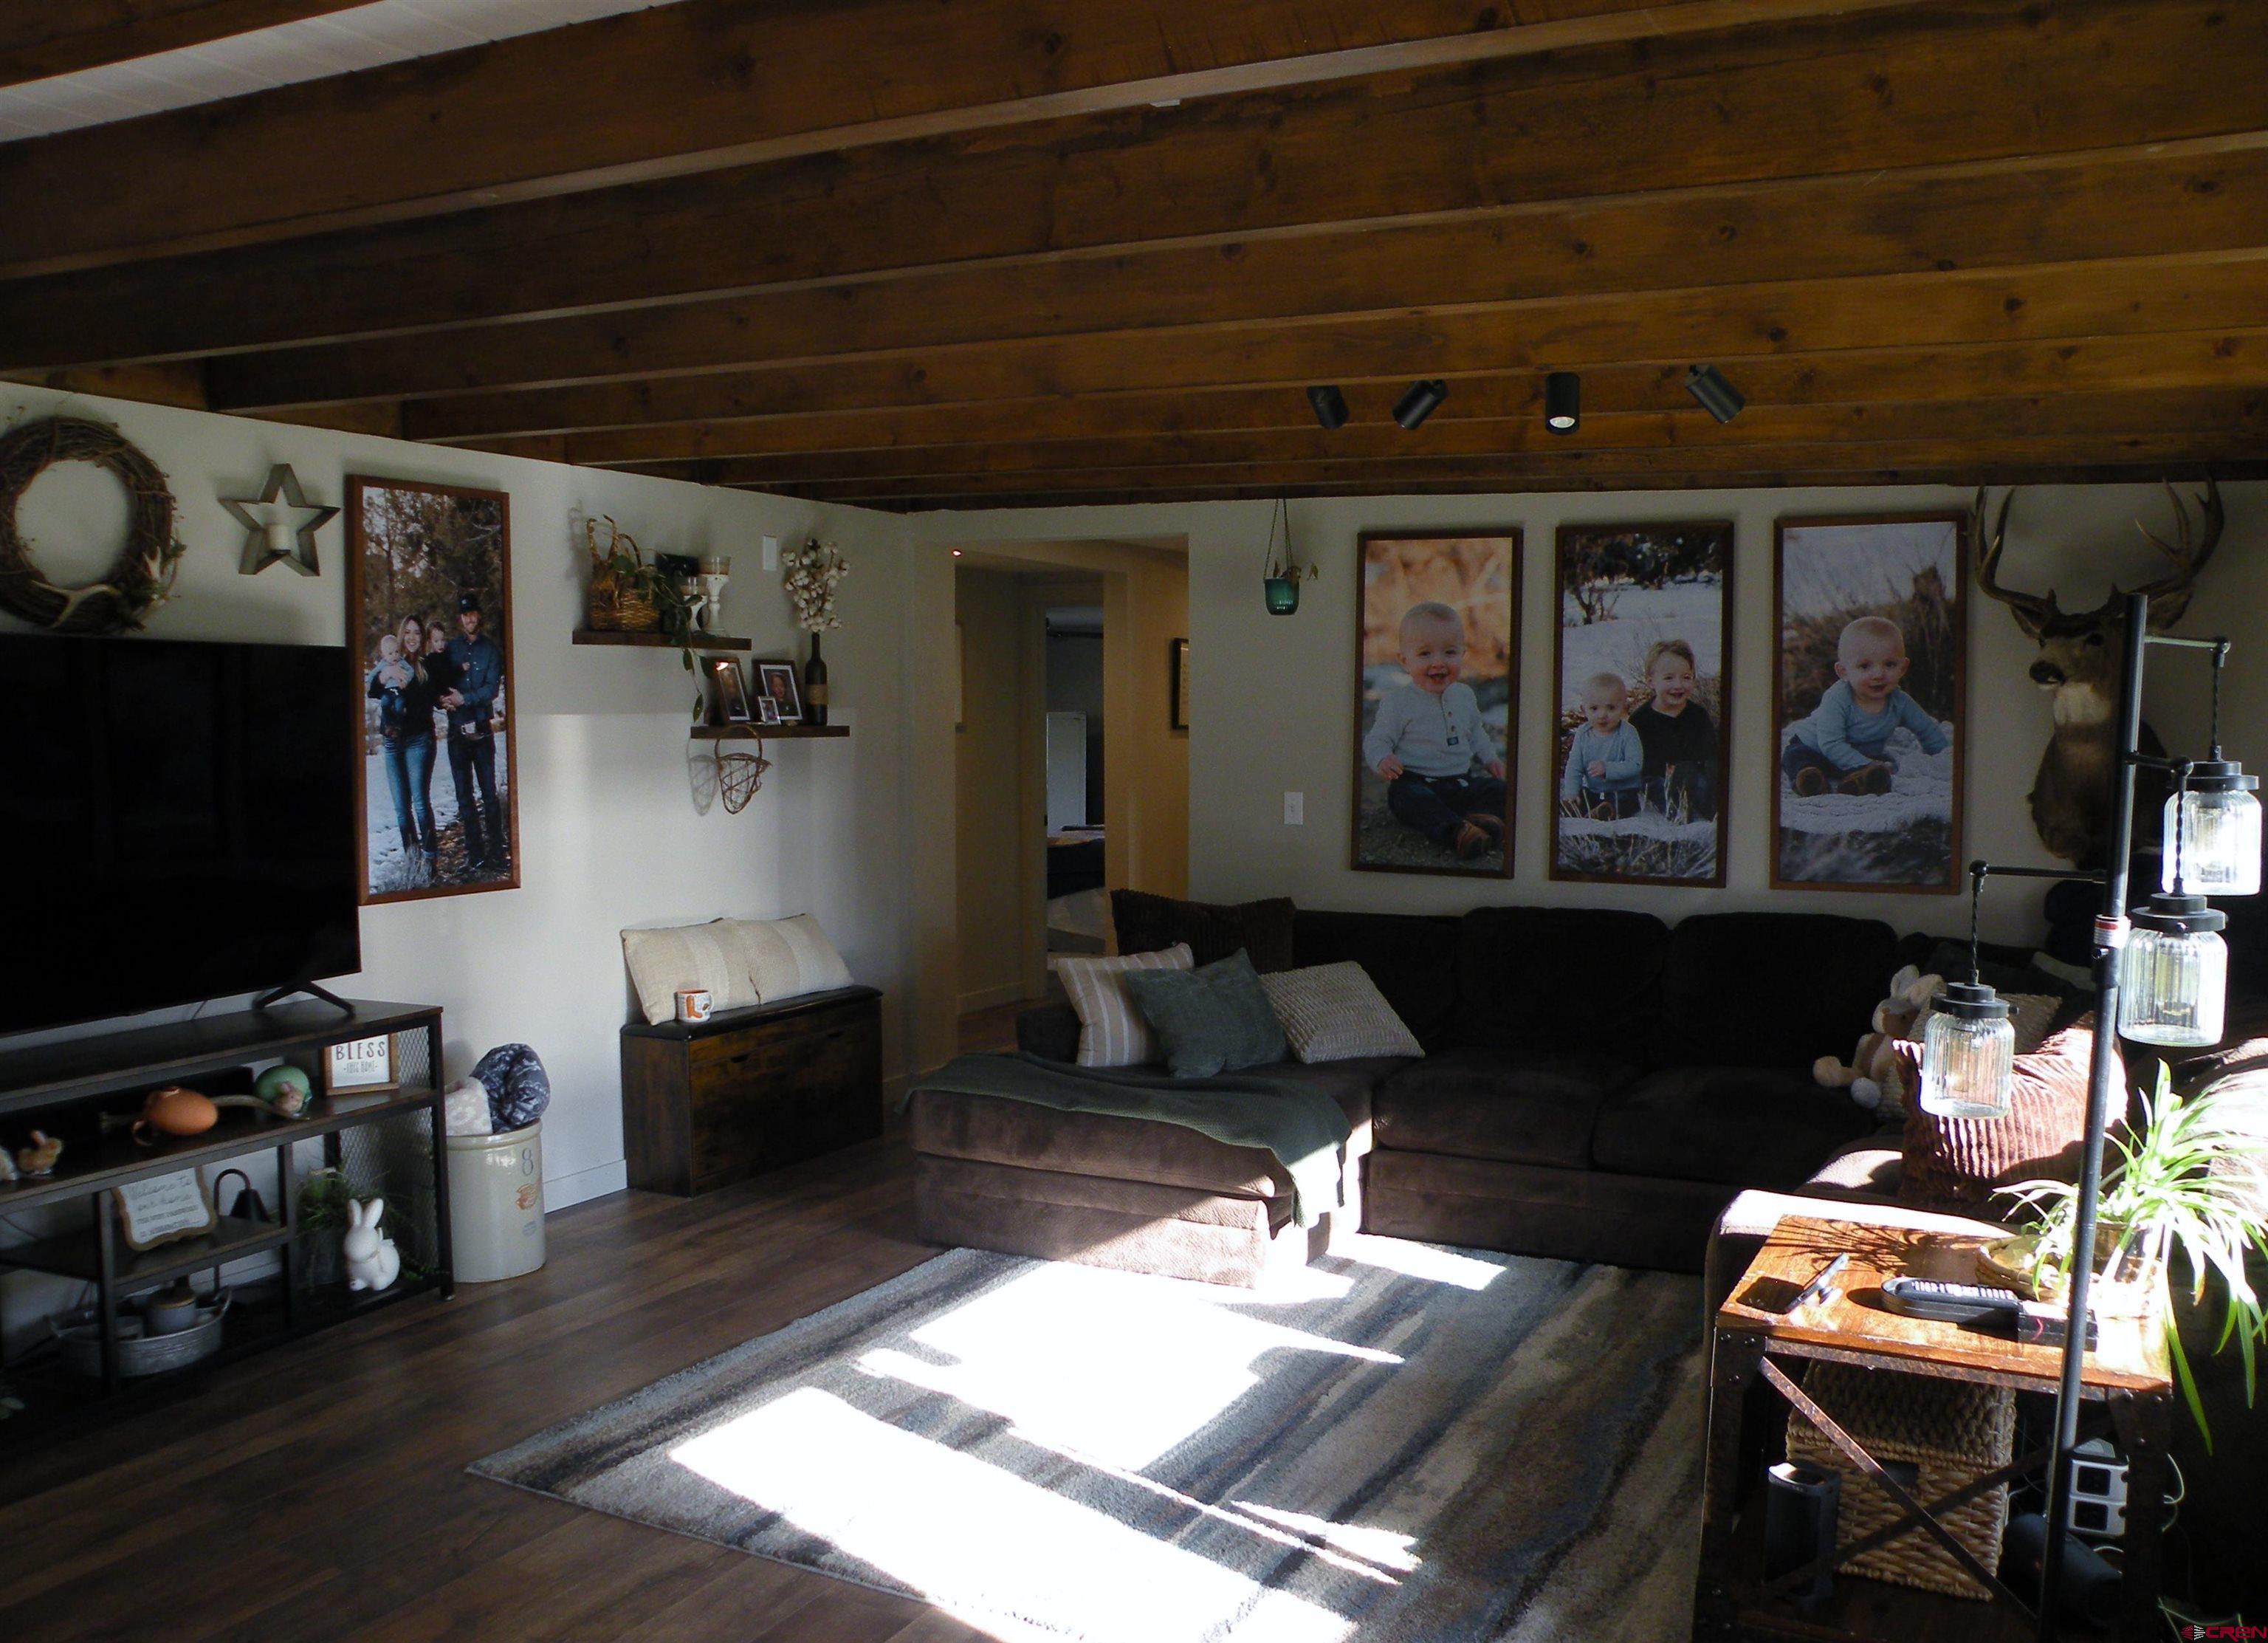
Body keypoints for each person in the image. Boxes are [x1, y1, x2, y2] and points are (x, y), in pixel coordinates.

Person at [1361, 601, 1507, 860]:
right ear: (1405, 661)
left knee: (1499, 790)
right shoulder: (1398, 702)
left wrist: (1490, 759)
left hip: (1460, 782)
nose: (1438, 663)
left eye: (1449, 653)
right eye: (1425, 654)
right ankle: (1457, 831)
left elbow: (1476, 733)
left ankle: (1483, 820)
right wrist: (1383, 758)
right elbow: (1377, 740)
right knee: (1404, 797)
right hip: (1418, 782)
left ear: (1462, 654)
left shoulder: (1464, 696)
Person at [1782, 614, 1950, 798]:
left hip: (1856, 756)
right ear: (1843, 672)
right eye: (1864, 667)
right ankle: (1809, 782)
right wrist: (1865, 763)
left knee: (1877, 770)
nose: (1878, 674)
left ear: (1903, 667)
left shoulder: (1900, 702)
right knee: (1796, 757)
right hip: (1814, 747)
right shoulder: (1837, 697)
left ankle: (1857, 783)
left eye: (1889, 664)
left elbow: (1927, 730)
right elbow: (1830, 744)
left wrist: (1943, 757)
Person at [441, 590, 509, 871]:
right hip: (457, 731)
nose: (469, 619)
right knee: (464, 796)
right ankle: (475, 855)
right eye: (465, 615)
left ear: (478, 616)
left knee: (489, 793)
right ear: (460, 619)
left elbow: (491, 690)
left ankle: (496, 852)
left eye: (472, 614)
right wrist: (444, 699)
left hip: (481, 730)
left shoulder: (490, 650)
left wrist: (464, 699)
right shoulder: (451, 649)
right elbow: (441, 680)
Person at [368, 616, 444, 863]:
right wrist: (386, 675)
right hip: (393, 743)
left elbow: (433, 698)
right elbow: (372, 690)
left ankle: (430, 860)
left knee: (420, 803)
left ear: (422, 638)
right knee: (401, 808)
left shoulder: (426, 665)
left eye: (417, 633)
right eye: (408, 632)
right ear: (402, 635)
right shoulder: (392, 661)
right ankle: (413, 861)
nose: (412, 637)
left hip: (419, 741)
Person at [1629, 638, 1718, 821]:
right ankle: (1678, 809)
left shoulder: (1698, 715)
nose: (1678, 685)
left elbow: (1709, 753)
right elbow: (1639, 765)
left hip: (1693, 777)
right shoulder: (1641, 719)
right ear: (1651, 682)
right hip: (1659, 780)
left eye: (1686, 677)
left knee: (1706, 777)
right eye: (1669, 678)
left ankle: (1711, 808)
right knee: (1655, 785)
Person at [1559, 670, 1643, 821]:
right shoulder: (1583, 734)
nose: (1602, 715)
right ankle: (1575, 808)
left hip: (1622, 790)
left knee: (1625, 802)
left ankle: (1605, 812)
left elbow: (1635, 765)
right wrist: (1572, 792)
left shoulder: (1628, 733)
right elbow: (1574, 767)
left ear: (1624, 708)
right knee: (1582, 796)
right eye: (1594, 709)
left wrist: (1607, 769)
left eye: (1611, 708)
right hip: (1595, 791)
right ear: (1584, 710)